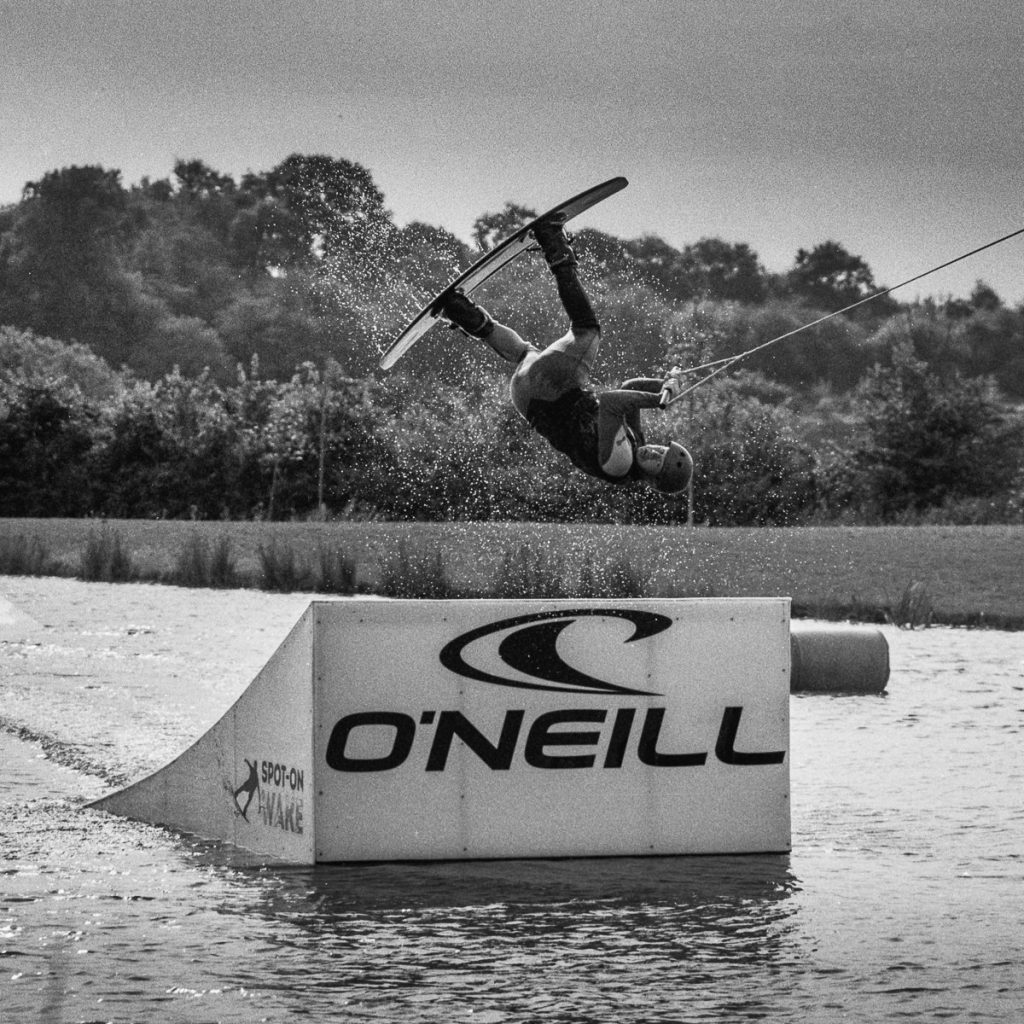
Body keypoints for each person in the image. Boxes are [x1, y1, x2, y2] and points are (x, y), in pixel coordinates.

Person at [440, 214, 693, 495]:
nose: (656, 453)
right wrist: (665, 386)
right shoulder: (636, 443)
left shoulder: (620, 464)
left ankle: (553, 243)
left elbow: (611, 402)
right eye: (662, 450)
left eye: (659, 462)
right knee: (525, 351)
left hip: (554, 389)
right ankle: (459, 311)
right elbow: (628, 390)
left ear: (653, 480)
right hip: (527, 398)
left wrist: (657, 401)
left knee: (587, 329)